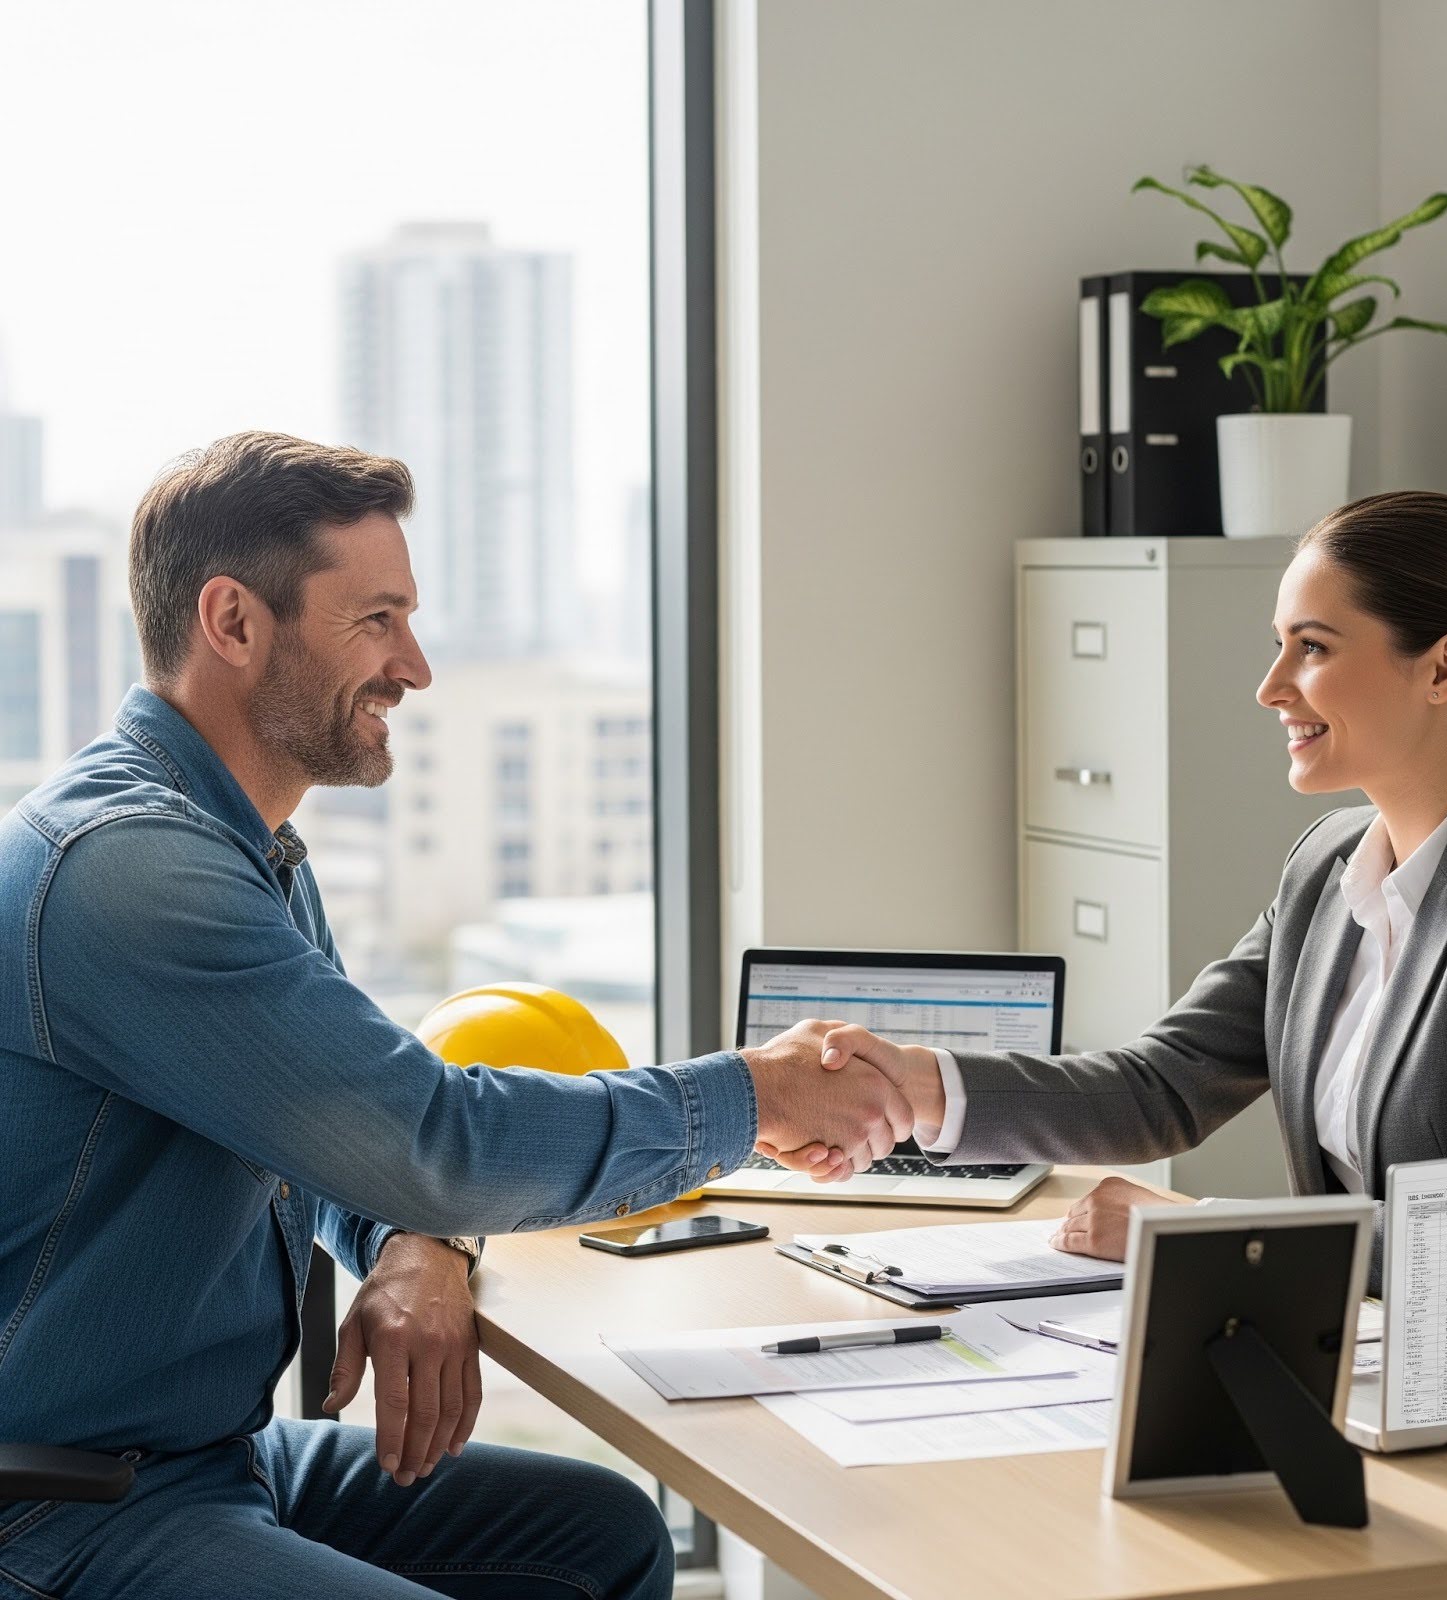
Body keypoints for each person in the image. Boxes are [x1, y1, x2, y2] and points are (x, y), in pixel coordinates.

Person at [0, 432, 899, 1600]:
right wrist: (758, 1094)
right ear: (233, 622)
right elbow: (434, 1139)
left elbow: (337, 1134)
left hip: (202, 1460)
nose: (414, 667)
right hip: (58, 1505)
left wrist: (419, 1241)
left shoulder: (244, 850)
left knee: (602, 1536)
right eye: (375, 620)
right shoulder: (130, 874)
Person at [774, 490, 1447, 1284]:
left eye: (1312, 647)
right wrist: (913, 1082)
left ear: (1446, 668)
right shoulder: (1328, 865)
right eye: (1279, 644)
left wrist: (1188, 1233)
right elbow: (1161, 1086)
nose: (1271, 686)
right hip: (1342, 1347)